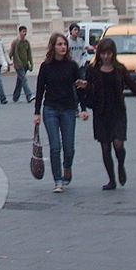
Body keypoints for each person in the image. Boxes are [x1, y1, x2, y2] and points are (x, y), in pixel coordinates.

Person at [78, 37, 136, 189]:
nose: (106, 57)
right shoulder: (92, 69)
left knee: (118, 144)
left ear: (113, 54)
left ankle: (121, 165)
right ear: (99, 54)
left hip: (118, 111)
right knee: (105, 147)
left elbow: (134, 87)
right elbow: (88, 90)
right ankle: (111, 179)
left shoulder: (120, 69)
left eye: (109, 53)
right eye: (103, 54)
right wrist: (84, 89)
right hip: (101, 112)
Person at [34, 32, 88, 193]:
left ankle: (67, 167)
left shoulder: (72, 66)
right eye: (59, 44)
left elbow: (79, 89)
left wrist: (83, 109)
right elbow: (39, 90)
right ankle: (58, 180)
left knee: (69, 147)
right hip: (50, 108)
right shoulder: (45, 66)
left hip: (68, 109)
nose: (63, 47)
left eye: (64, 44)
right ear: (53, 47)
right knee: (55, 146)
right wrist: (36, 113)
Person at [10, 25, 35, 103]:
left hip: (25, 65)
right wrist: (9, 62)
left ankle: (15, 97)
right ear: (19, 32)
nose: (25, 33)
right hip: (18, 65)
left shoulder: (26, 42)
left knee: (20, 81)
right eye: (23, 31)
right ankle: (29, 95)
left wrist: (31, 63)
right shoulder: (16, 42)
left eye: (25, 31)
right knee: (24, 79)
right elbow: (12, 53)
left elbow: (29, 54)